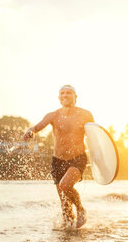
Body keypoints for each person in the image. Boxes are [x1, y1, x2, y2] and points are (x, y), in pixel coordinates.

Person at [24, 84, 94, 228]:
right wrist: (30, 132)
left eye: (68, 93)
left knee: (65, 185)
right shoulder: (53, 115)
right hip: (58, 160)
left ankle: (81, 209)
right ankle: (68, 234)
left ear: (75, 97)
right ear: (59, 98)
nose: (65, 95)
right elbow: (36, 128)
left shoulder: (86, 114)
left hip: (77, 158)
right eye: (62, 93)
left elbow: (95, 136)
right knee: (64, 202)